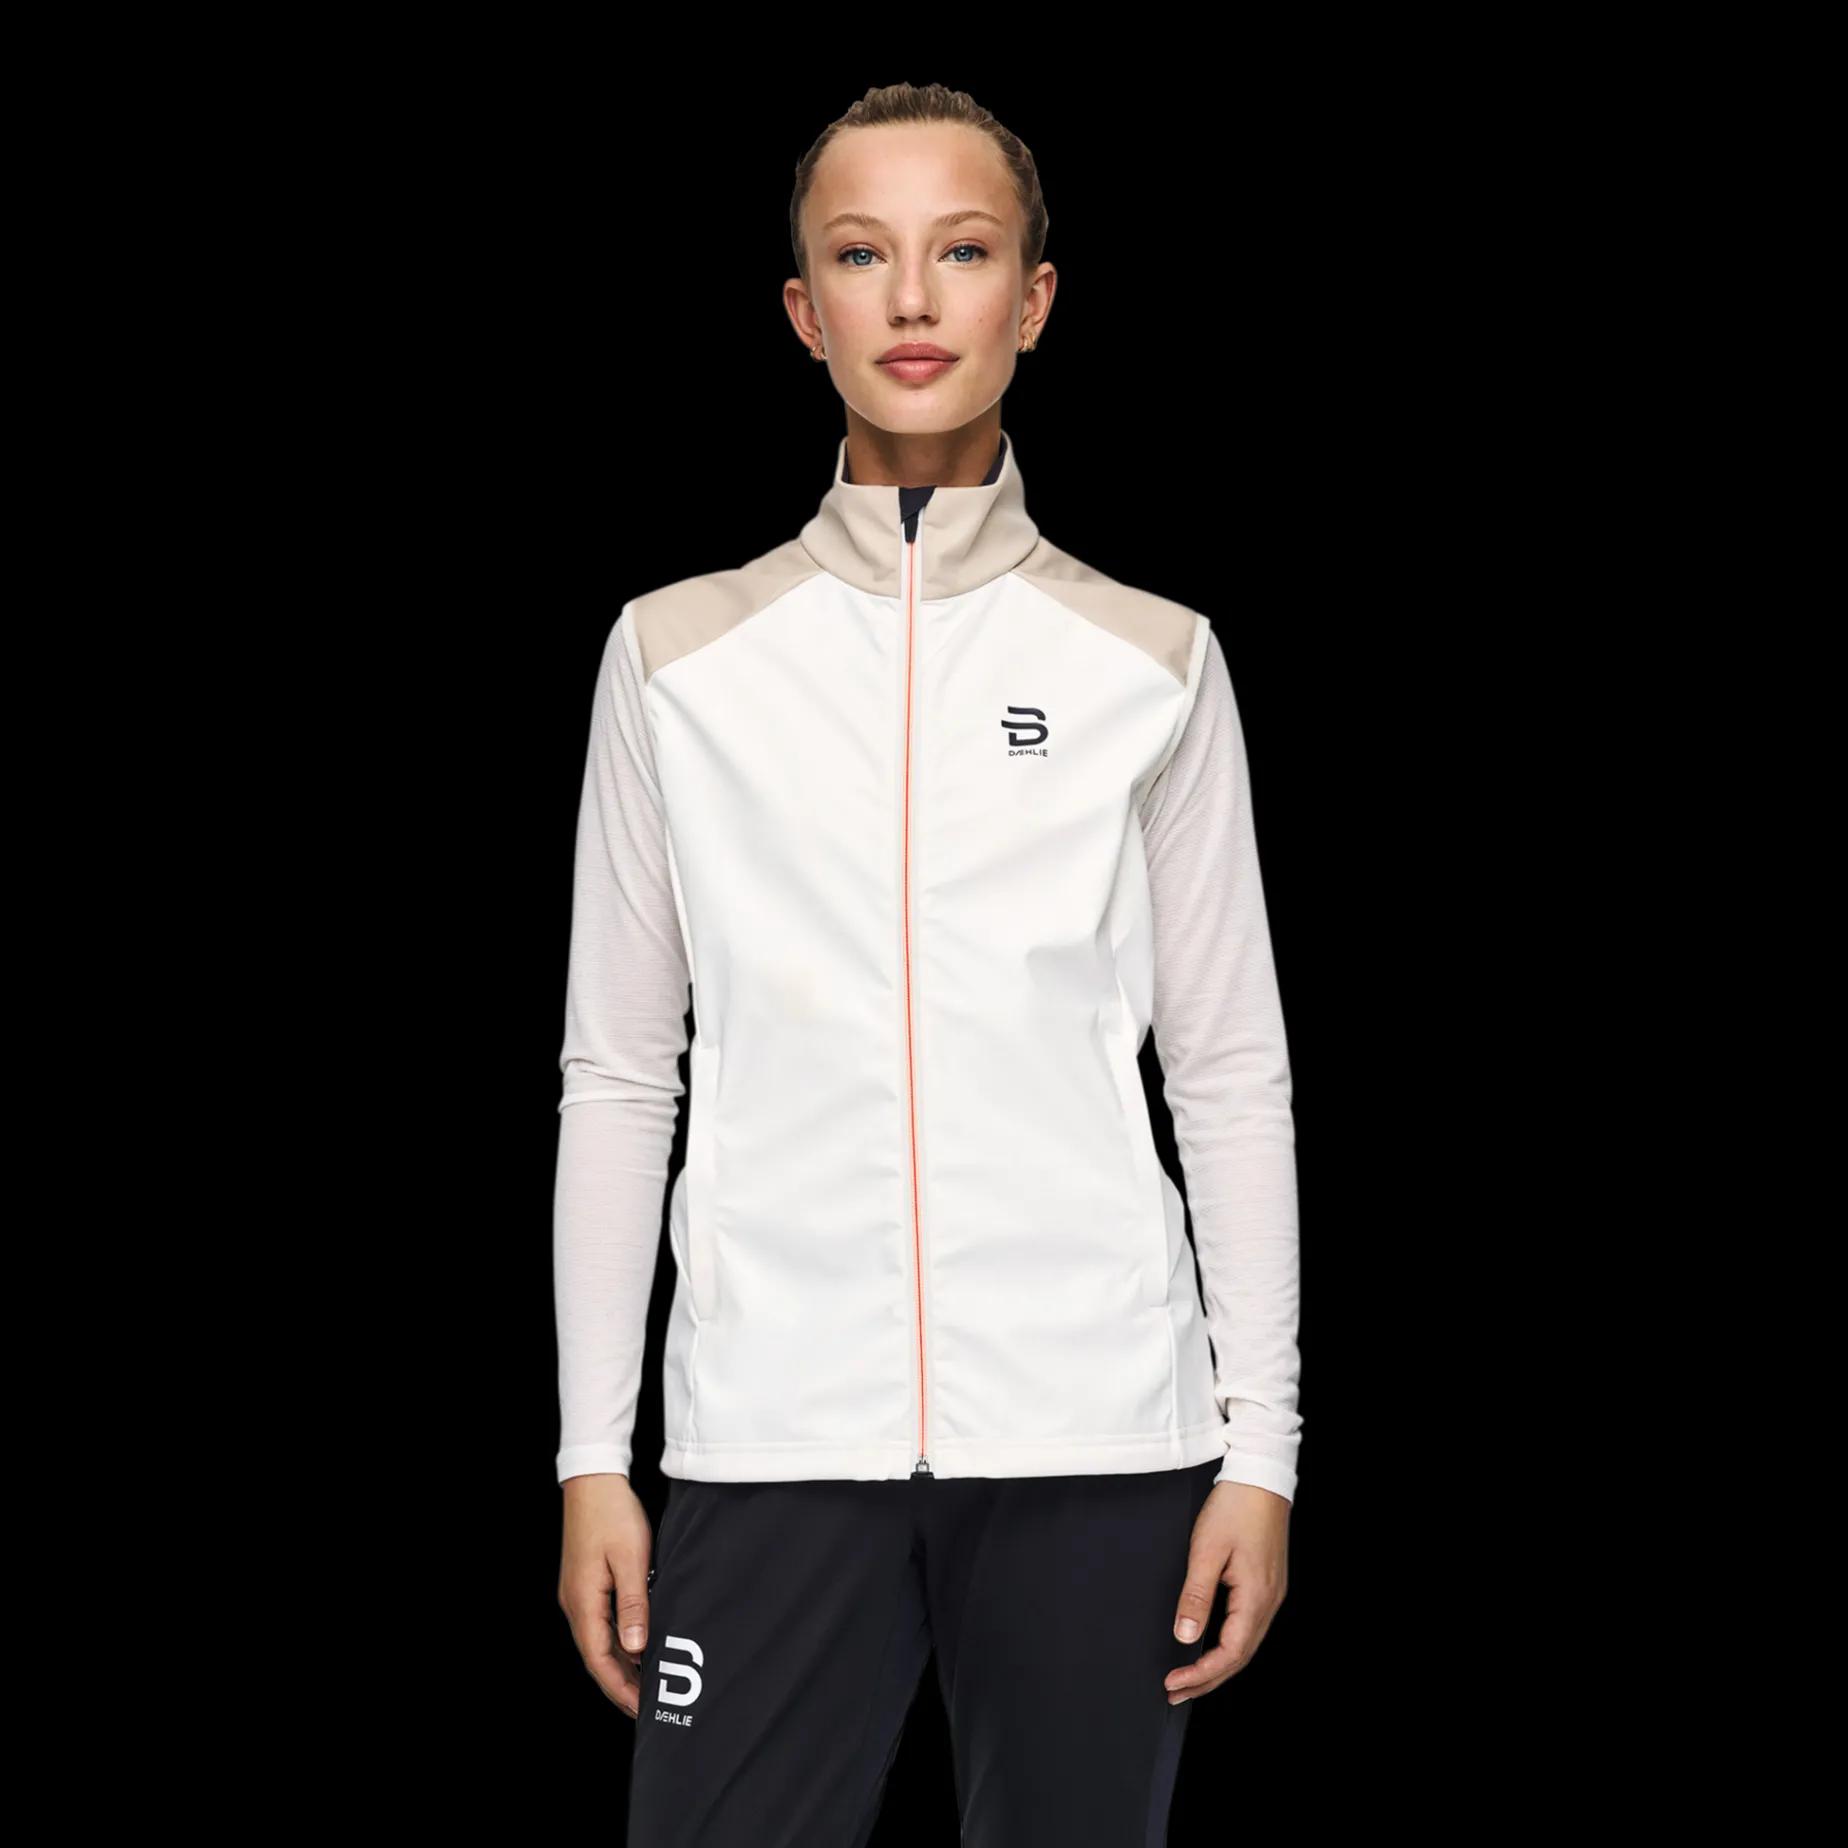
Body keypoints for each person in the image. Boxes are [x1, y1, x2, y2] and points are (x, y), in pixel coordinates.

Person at [553, 81, 1301, 1847]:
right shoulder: (677, 657)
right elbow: (621, 1074)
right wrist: (594, 1453)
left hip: (1099, 1436)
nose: (911, 298)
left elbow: (1228, 1070)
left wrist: (1261, 1450)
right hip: (766, 1436)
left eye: (961, 252)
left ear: (1032, 301)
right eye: (859, 255)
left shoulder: (1152, 661)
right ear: (802, 311)